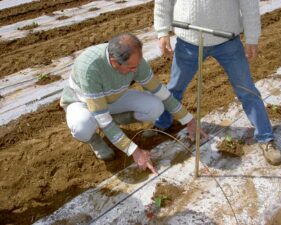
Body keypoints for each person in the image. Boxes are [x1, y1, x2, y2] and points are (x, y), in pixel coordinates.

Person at [154, 0, 281, 165]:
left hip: (227, 40)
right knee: (175, 88)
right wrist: (162, 31)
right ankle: (162, 123)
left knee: (247, 90)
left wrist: (252, 37)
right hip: (189, 40)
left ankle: (266, 138)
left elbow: (249, 4)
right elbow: (163, 1)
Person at [60, 33, 207, 175]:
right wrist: (134, 151)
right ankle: (93, 138)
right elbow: (101, 115)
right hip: (83, 102)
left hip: (114, 97)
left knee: (155, 107)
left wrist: (189, 120)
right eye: (131, 68)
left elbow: (160, 91)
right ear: (114, 62)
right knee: (82, 127)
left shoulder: (134, 61)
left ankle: (113, 123)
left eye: (137, 65)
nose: (135, 70)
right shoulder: (90, 68)